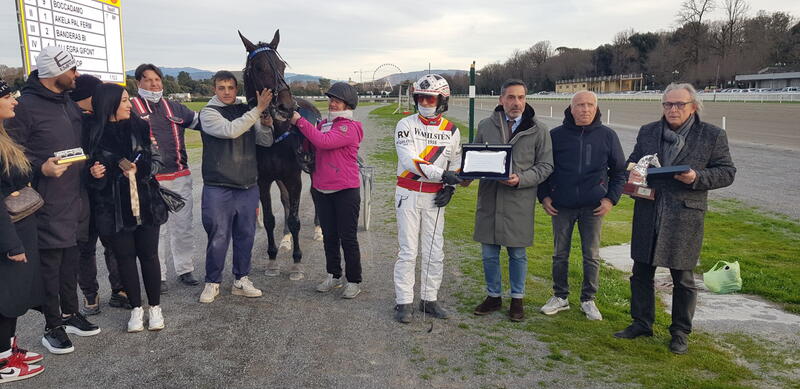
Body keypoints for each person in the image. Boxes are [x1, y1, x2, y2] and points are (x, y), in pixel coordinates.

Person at [613, 83, 735, 354]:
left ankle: (680, 332)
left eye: (679, 104)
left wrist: (696, 178)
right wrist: (634, 175)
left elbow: (727, 172)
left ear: (693, 106)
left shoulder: (712, 135)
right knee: (641, 272)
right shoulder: (648, 131)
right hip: (649, 210)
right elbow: (634, 162)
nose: (673, 109)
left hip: (684, 215)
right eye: (668, 104)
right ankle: (641, 322)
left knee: (683, 278)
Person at [6, 46, 100, 355]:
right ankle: (52, 326)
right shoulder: (25, 107)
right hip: (45, 203)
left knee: (70, 261)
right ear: (55, 73)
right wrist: (39, 167)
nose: (76, 75)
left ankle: (71, 314)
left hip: (75, 199)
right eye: (71, 69)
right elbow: (10, 154)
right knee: (50, 266)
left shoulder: (67, 102)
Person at [85, 83, 169, 332]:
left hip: (145, 202)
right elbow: (86, 170)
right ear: (109, 103)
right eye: (123, 101)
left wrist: (139, 169)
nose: (129, 105)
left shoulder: (140, 127)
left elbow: (156, 160)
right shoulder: (91, 132)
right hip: (112, 207)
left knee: (149, 256)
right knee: (124, 258)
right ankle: (135, 308)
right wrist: (94, 174)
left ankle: (155, 308)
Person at [468, 79, 553, 322]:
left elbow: (546, 166)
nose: (516, 103)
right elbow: (474, 156)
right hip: (490, 199)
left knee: (517, 254)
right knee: (489, 253)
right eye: (511, 97)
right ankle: (493, 296)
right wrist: (467, 173)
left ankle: (517, 299)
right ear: (501, 99)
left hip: (519, 201)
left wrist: (521, 179)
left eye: (521, 97)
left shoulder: (538, 130)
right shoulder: (486, 125)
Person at [537, 91, 626, 320]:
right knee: (560, 254)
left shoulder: (608, 136)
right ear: (570, 108)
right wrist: (544, 197)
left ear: (596, 108)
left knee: (591, 255)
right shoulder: (556, 136)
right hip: (562, 206)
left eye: (589, 105)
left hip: (593, 207)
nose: (584, 109)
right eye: (579, 105)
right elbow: (544, 169)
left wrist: (610, 199)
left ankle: (588, 299)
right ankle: (560, 296)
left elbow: (619, 173)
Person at [197, 71, 274, 304]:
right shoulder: (208, 113)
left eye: (231, 87)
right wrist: (258, 110)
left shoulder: (245, 110)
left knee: (246, 235)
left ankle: (241, 279)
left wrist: (266, 126)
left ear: (236, 89)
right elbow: (231, 131)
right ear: (214, 89)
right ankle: (213, 281)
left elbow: (264, 141)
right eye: (222, 88)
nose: (227, 92)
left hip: (247, 184)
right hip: (218, 185)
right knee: (218, 235)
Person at [392, 74, 462, 323]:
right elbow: (409, 160)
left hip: (435, 198)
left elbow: (456, 162)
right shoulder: (405, 124)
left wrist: (449, 188)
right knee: (408, 251)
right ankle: (404, 301)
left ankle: (429, 299)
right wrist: (443, 174)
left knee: (435, 251)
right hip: (408, 194)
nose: (425, 102)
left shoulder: (452, 130)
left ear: (442, 100)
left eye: (430, 98)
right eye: (420, 97)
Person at [130, 64, 201, 292]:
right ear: (138, 83)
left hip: (180, 175)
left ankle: (185, 269)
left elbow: (205, 124)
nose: (154, 84)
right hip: (150, 180)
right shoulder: (130, 107)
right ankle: (157, 274)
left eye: (157, 79)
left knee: (183, 226)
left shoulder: (175, 107)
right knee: (155, 229)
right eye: (148, 80)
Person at [290, 82, 364, 299]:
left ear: (347, 105)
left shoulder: (349, 127)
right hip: (322, 189)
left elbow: (323, 142)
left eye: (337, 101)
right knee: (330, 236)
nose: (332, 103)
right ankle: (334, 274)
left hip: (345, 190)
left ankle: (353, 280)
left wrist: (299, 121)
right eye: (331, 100)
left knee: (348, 237)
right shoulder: (323, 123)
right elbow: (312, 143)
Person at [70, 74, 129, 316]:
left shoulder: (102, 119)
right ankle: (90, 294)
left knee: (112, 242)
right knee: (85, 245)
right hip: (81, 191)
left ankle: (119, 289)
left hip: (104, 192)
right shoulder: (72, 121)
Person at [0, 78, 45, 382]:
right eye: (7, 96)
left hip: (19, 229)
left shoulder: (4, 137)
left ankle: (9, 348)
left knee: (15, 296)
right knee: (5, 298)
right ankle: (3, 362)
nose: (14, 100)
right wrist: (11, 245)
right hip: (9, 235)